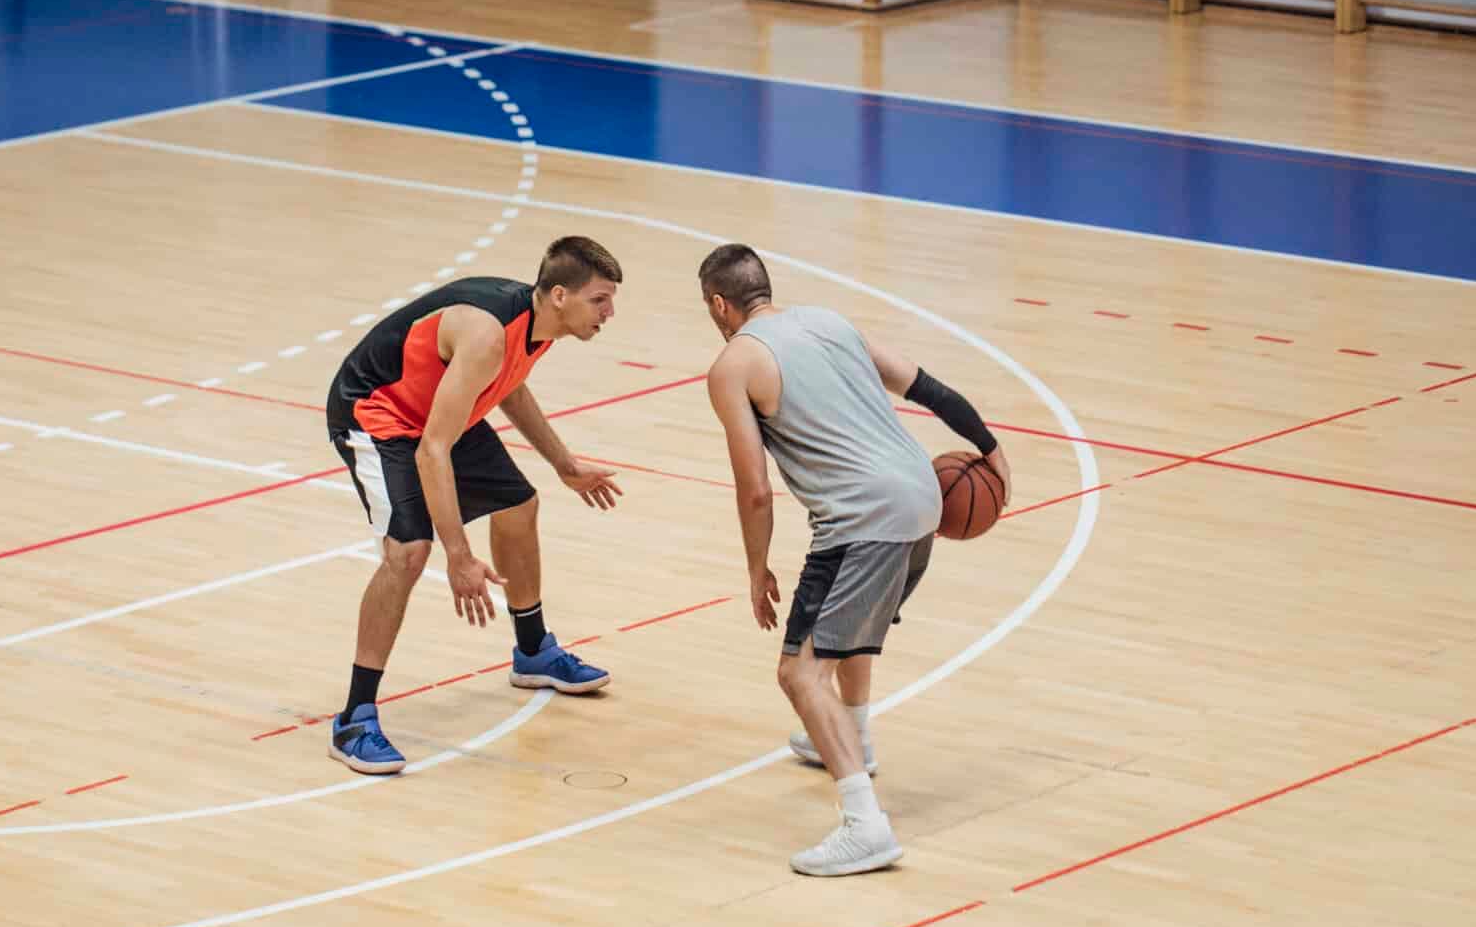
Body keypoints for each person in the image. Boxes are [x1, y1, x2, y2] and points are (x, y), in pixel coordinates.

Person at [696, 242, 1009, 875]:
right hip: (923, 497)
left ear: (718, 305)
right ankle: (851, 737)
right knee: (851, 636)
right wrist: (990, 448)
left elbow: (754, 488)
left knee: (799, 674)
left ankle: (864, 824)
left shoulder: (733, 366)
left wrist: (756, 570)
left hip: (861, 519)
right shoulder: (830, 321)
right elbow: (930, 388)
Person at [323, 235, 629, 775]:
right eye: (599, 300)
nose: (609, 313)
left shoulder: (538, 326)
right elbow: (432, 449)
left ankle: (533, 651)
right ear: (560, 294)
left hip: (436, 410)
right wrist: (458, 555)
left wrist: (563, 463)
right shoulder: (488, 333)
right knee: (409, 553)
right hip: (377, 414)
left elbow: (508, 386)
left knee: (519, 505)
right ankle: (354, 719)